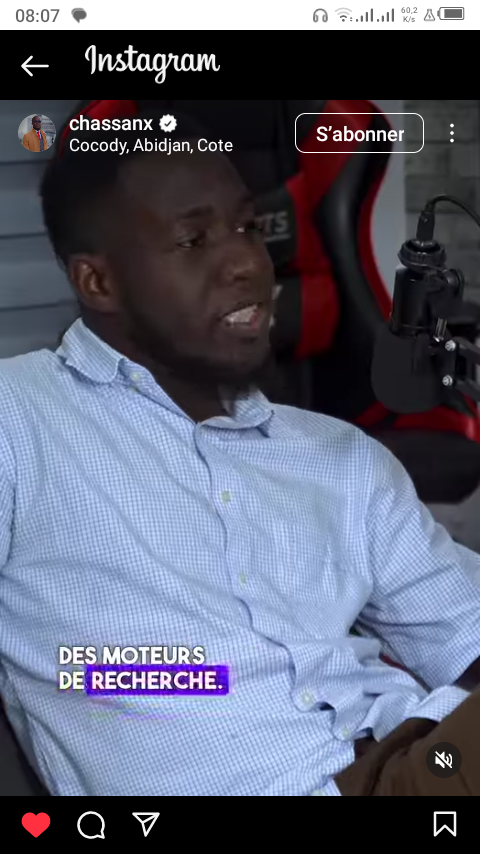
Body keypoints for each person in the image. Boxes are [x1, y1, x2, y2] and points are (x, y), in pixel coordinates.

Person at [1, 110, 480, 796]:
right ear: (98, 283)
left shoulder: (341, 457)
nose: (249, 263)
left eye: (250, 228)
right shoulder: (21, 420)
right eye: (194, 239)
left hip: (414, 759)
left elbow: (465, 631)